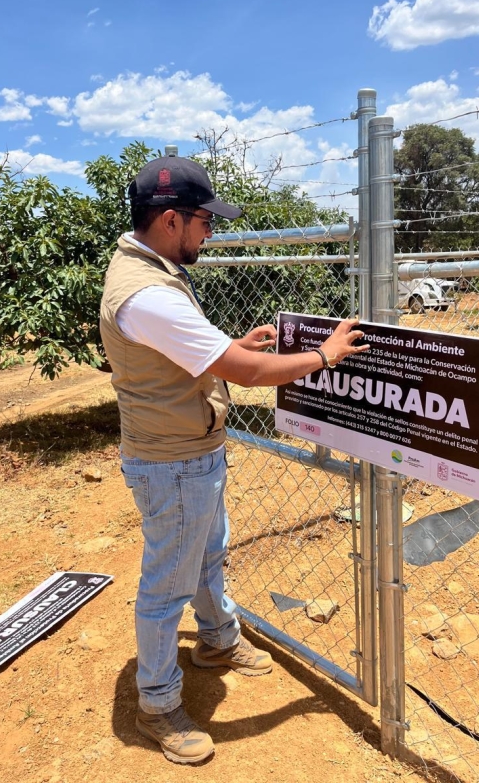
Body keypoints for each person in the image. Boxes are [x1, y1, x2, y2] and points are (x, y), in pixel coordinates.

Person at [99, 153, 369, 765]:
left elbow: (197, 354)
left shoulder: (151, 269)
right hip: (172, 464)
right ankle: (159, 704)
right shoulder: (148, 294)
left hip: (187, 452)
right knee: (167, 586)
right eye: (204, 221)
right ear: (171, 220)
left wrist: (228, 346)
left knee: (206, 553)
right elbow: (246, 375)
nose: (211, 232)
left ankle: (217, 643)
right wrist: (323, 357)